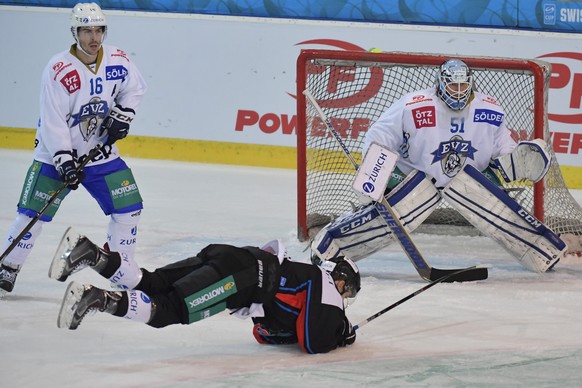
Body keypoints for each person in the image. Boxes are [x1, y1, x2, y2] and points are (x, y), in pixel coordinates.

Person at [311, 59, 566, 273]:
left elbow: (503, 146)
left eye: (462, 84)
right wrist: (384, 174)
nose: (457, 90)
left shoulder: (489, 108)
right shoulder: (414, 104)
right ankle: (331, 246)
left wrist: (511, 164)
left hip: (471, 178)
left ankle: (541, 251)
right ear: (440, 83)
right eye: (452, 84)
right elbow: (379, 136)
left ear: (471, 84)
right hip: (416, 181)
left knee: (497, 207)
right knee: (393, 217)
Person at [0, 3, 147, 296]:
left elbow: (135, 88)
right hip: (56, 156)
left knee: (129, 208)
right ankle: (8, 266)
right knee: (32, 214)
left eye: (98, 30)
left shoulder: (118, 58)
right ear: (74, 32)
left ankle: (120, 266)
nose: (94, 37)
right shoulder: (59, 69)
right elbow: (52, 120)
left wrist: (124, 114)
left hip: (100, 155)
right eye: (86, 30)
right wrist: (64, 160)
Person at [50, 227, 360, 354]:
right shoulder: (327, 287)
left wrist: (320, 327)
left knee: (153, 283)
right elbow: (314, 343)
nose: (345, 298)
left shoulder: (304, 277)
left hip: (232, 258)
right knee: (167, 310)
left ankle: (89, 253)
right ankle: (98, 299)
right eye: (349, 292)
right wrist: (339, 332)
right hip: (240, 277)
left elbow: (264, 335)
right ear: (342, 279)